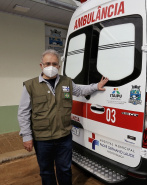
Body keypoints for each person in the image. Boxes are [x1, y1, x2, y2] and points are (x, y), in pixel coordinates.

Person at [18, 49, 108, 185]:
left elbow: (80, 90)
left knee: (65, 169)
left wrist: (96, 86)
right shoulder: (30, 86)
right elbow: (23, 112)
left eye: (54, 64)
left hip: (64, 137)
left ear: (59, 67)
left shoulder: (67, 82)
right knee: (46, 171)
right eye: (47, 63)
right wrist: (26, 136)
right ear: (41, 65)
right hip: (42, 139)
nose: (51, 67)